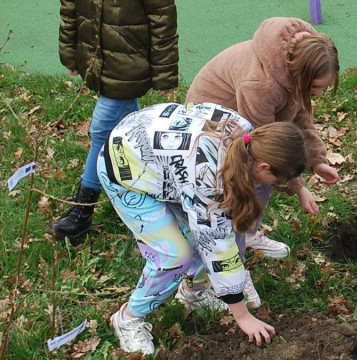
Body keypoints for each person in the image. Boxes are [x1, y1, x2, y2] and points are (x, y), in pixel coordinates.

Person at [98, 102, 308, 354]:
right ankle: (129, 318)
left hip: (160, 160)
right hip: (127, 172)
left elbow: (223, 228)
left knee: (199, 236)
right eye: (278, 179)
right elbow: (217, 244)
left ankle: (192, 294)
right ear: (262, 167)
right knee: (175, 256)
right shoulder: (208, 178)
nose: (278, 185)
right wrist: (242, 315)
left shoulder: (248, 138)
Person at [185, 17, 341, 261]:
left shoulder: (293, 63)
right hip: (208, 129)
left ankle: (247, 233)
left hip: (241, 123)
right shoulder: (261, 84)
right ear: (301, 75)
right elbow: (263, 148)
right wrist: (299, 188)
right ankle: (236, 244)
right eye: (317, 87)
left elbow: (299, 116)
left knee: (264, 171)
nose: (320, 94)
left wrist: (317, 160)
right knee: (257, 173)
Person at [47, 0, 179, 243]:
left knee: (101, 130)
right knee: (130, 128)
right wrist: (70, 52)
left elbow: (163, 20)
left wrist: (165, 73)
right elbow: (69, 9)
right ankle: (145, 187)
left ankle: (81, 213)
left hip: (130, 62)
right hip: (97, 59)